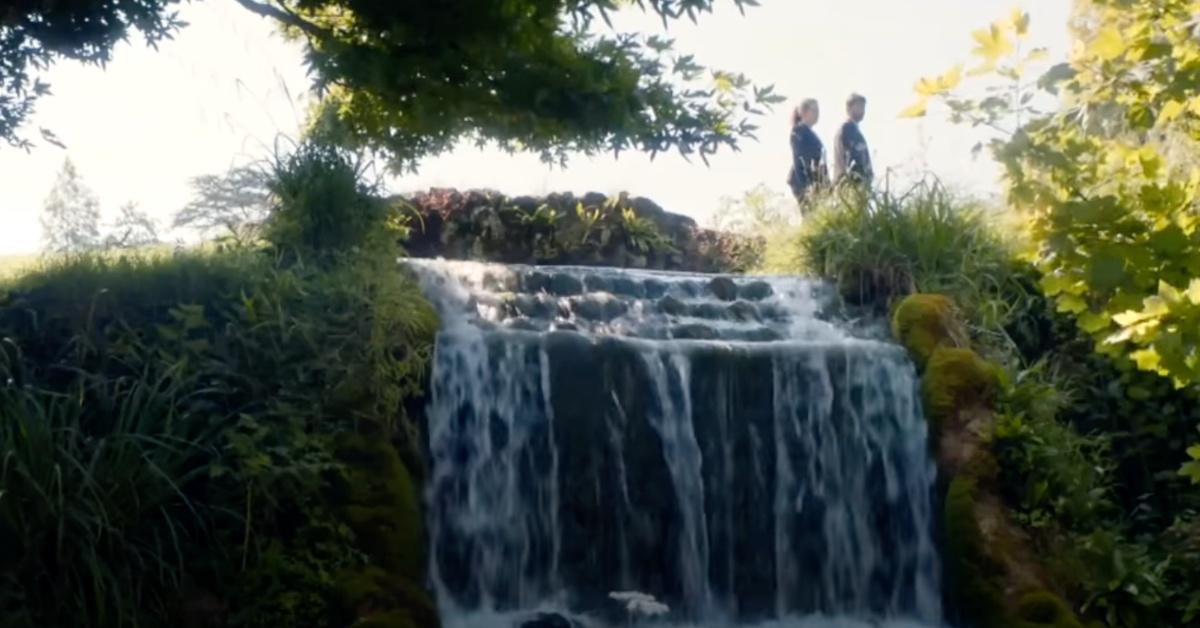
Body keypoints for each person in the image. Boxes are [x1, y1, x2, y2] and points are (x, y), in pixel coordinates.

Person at [786, 99, 828, 205]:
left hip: (814, 181)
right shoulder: (799, 131)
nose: (817, 114)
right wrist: (806, 186)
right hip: (803, 182)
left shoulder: (808, 132)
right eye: (814, 110)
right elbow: (798, 159)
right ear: (804, 112)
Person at [833, 93, 873, 186]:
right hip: (850, 185)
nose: (862, 110)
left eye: (863, 107)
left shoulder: (855, 130)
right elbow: (848, 159)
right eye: (859, 107)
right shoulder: (847, 129)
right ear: (849, 108)